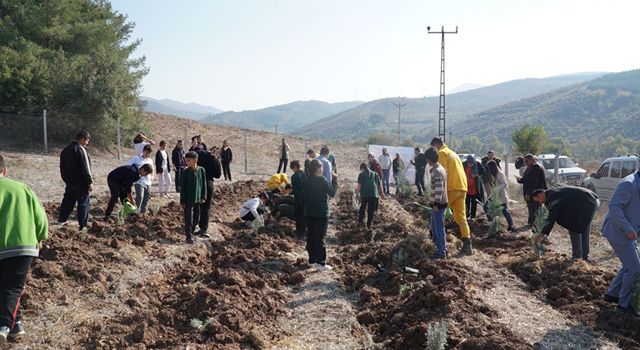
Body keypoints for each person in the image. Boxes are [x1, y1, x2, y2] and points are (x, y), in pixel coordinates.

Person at [0, 154, 48, 342]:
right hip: (23, 246)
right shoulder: (22, 188)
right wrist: (41, 236)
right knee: (12, 286)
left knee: (7, 287)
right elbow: (40, 217)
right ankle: (15, 325)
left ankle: (3, 325)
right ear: (5, 170)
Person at [601, 170, 640, 315]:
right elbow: (614, 207)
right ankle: (624, 304)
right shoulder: (629, 183)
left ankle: (612, 294)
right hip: (619, 232)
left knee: (629, 265)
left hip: (630, 233)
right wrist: (628, 229)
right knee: (635, 268)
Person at [532, 185, 600, 261]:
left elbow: (551, 218)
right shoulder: (553, 191)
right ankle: (584, 256)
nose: (540, 203)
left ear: (540, 195)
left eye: (538, 200)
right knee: (583, 228)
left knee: (573, 227)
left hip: (587, 203)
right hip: (592, 200)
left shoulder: (551, 198)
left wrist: (542, 234)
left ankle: (577, 257)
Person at [430, 137, 472, 255]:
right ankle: (467, 245)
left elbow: (442, 173)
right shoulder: (453, 153)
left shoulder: (442, 153)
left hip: (451, 188)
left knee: (437, 214)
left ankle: (436, 245)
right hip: (462, 188)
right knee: (461, 218)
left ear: (436, 145)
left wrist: (437, 197)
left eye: (434, 148)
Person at [303, 159, 338, 271]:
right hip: (321, 213)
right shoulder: (321, 180)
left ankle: (311, 260)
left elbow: (303, 196)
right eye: (322, 167)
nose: (322, 169)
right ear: (318, 169)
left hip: (309, 212)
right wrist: (335, 180)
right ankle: (321, 263)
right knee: (320, 237)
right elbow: (331, 193)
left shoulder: (306, 180)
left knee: (311, 236)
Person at [57, 131, 93, 230]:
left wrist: (65, 179)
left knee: (68, 200)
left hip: (69, 181)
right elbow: (86, 167)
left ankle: (62, 219)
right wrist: (89, 182)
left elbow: (62, 166)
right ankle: (83, 225)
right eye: (87, 140)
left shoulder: (65, 149)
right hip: (81, 182)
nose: (87, 143)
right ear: (82, 139)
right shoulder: (81, 150)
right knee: (83, 202)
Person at [425, 147, 448, 259]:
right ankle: (438, 247)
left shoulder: (437, 171)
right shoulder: (440, 168)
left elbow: (439, 188)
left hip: (438, 204)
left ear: (429, 160)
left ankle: (441, 251)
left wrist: (436, 204)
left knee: (438, 228)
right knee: (434, 227)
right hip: (439, 203)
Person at [180, 152, 207, 244]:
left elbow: (203, 184)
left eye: (189, 160)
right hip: (188, 199)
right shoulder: (185, 172)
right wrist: (182, 200)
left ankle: (192, 233)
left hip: (198, 199)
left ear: (195, 160)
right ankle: (188, 237)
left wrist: (203, 196)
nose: (187, 162)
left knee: (196, 218)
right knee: (188, 219)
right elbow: (182, 187)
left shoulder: (201, 170)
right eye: (186, 160)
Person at [194, 148, 222, 239]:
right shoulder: (215, 160)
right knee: (206, 207)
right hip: (208, 183)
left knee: (196, 205)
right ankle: (203, 229)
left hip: (198, 182)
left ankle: (192, 226)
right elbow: (218, 175)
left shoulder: (200, 154)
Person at [483, 160, 516, 232]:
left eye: (489, 168)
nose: (489, 170)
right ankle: (491, 223)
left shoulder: (500, 174)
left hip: (501, 196)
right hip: (494, 196)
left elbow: (505, 184)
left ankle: (511, 226)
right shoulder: (494, 174)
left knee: (504, 211)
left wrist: (497, 188)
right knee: (486, 206)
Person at [516, 154, 547, 226]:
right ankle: (531, 222)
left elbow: (534, 182)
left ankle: (535, 224)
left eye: (527, 161)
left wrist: (529, 193)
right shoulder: (530, 167)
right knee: (531, 207)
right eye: (524, 161)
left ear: (532, 160)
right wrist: (520, 180)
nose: (525, 163)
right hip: (531, 191)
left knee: (534, 208)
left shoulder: (536, 167)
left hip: (535, 192)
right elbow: (527, 179)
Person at [127, 144, 154, 213]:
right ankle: (136, 211)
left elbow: (152, 169)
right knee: (140, 197)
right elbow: (128, 166)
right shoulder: (136, 158)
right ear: (143, 151)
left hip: (148, 182)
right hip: (139, 181)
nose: (148, 154)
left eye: (149, 153)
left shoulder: (150, 160)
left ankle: (143, 211)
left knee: (146, 198)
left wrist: (152, 177)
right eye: (147, 152)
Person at [355, 162, 380, 229]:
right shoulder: (375, 174)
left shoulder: (361, 174)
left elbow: (359, 185)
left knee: (362, 207)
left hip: (365, 194)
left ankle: (360, 221)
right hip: (373, 194)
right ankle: (369, 224)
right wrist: (381, 194)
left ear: (362, 168)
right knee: (371, 210)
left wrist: (356, 193)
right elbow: (377, 185)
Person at [462, 155, 484, 220]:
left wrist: (477, 174)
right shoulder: (463, 164)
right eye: (469, 164)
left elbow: (483, 171)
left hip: (475, 186)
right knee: (467, 201)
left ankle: (473, 216)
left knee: (474, 201)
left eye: (471, 164)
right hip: (466, 186)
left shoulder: (477, 164)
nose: (470, 165)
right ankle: (467, 215)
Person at [290, 160, 306, 238]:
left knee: (298, 216)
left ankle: (300, 232)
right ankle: (304, 231)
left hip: (298, 200)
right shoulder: (305, 174)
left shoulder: (295, 176)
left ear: (295, 167)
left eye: (293, 169)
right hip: (306, 199)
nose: (293, 171)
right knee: (304, 215)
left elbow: (296, 190)